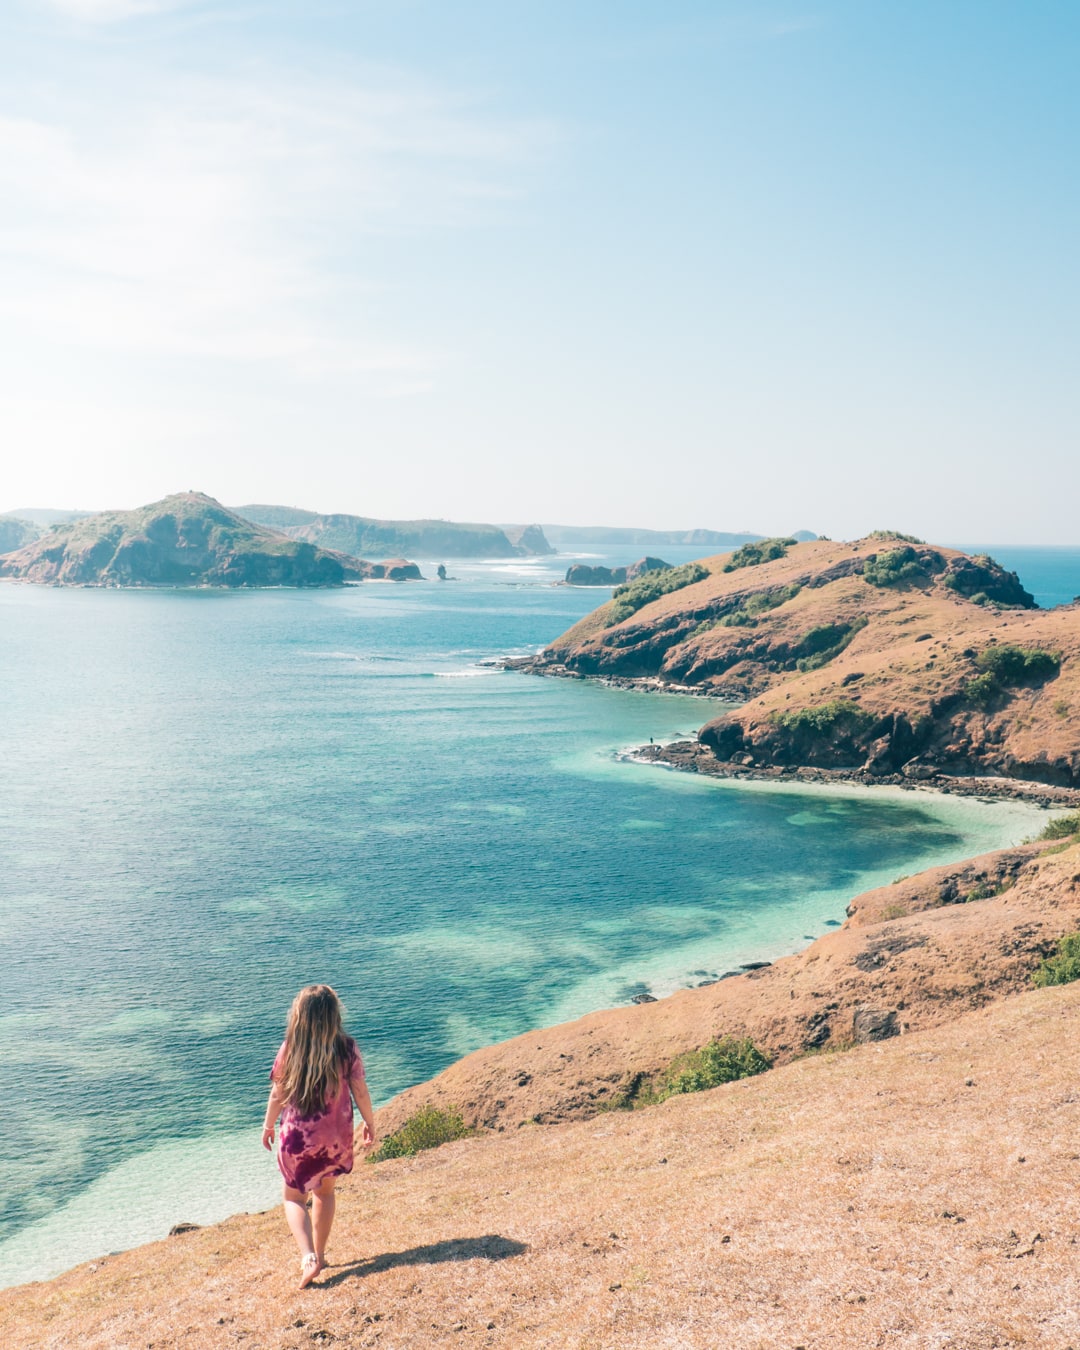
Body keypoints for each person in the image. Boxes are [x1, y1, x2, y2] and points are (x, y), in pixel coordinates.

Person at [262, 984, 377, 1288]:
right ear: (334, 1015)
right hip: (333, 1138)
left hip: (296, 1138)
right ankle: (322, 1255)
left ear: (299, 1016)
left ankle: (308, 1256)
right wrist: (369, 1121)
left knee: (293, 1197)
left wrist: (268, 1125)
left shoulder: (290, 1048)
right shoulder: (347, 1048)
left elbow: (278, 1093)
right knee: (324, 1193)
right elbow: (360, 1091)